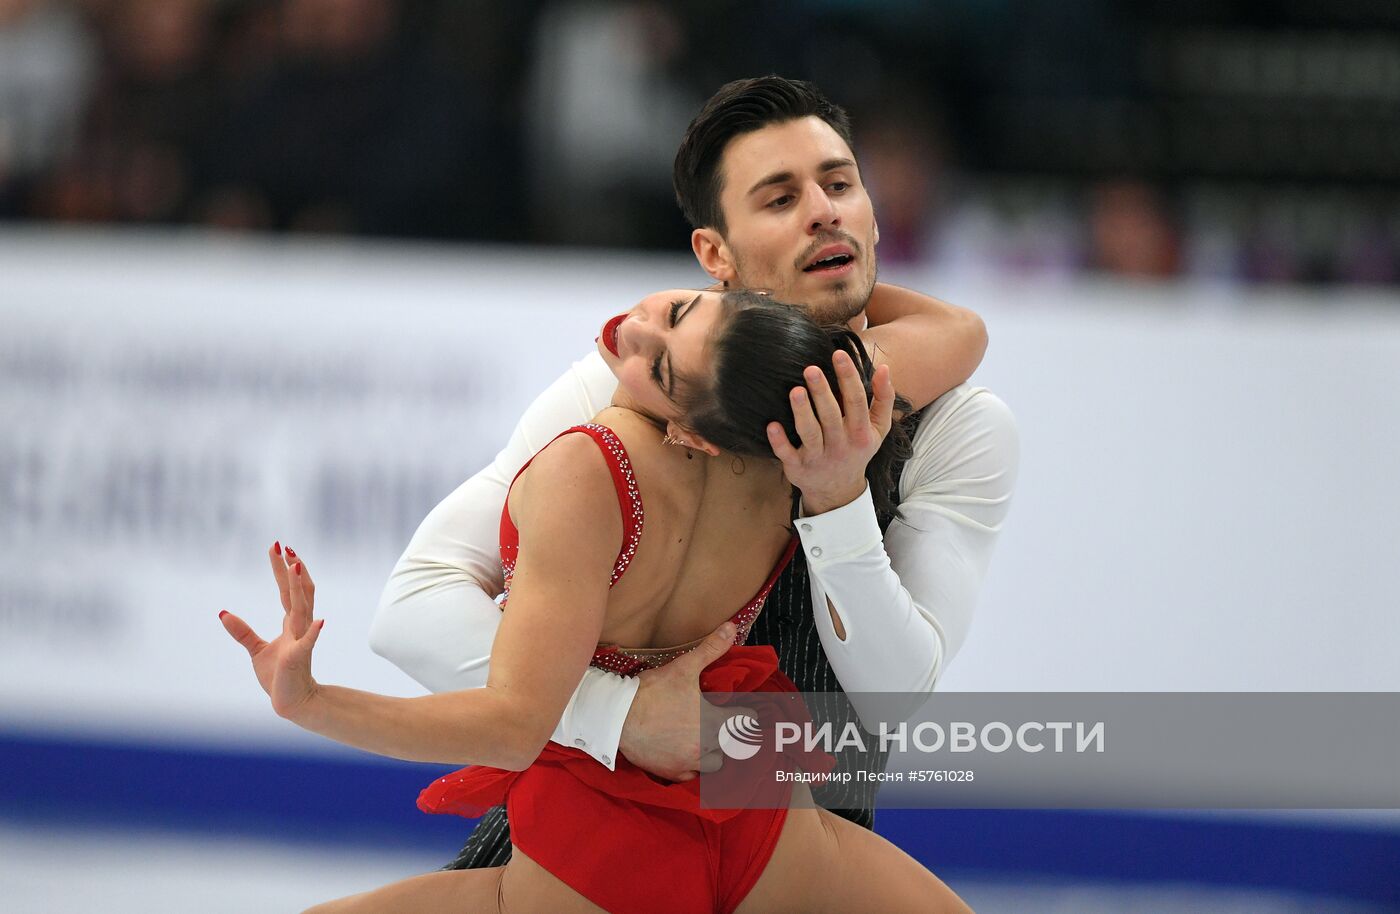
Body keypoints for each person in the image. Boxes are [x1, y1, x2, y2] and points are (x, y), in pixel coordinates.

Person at [370, 76, 1019, 868]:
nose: (824, 210)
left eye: (841, 184)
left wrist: (837, 498)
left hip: (799, 853)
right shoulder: (627, 391)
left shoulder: (959, 424)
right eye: (779, 200)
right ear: (714, 255)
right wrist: (623, 714)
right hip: (588, 834)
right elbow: (412, 605)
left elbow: (894, 698)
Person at [222, 288, 974, 912]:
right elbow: (960, 333)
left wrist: (313, 703)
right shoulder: (798, 443)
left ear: (693, 435)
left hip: (602, 846)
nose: (633, 330)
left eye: (659, 364)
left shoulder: (586, 472)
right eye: (677, 311)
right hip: (760, 809)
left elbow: (514, 727)